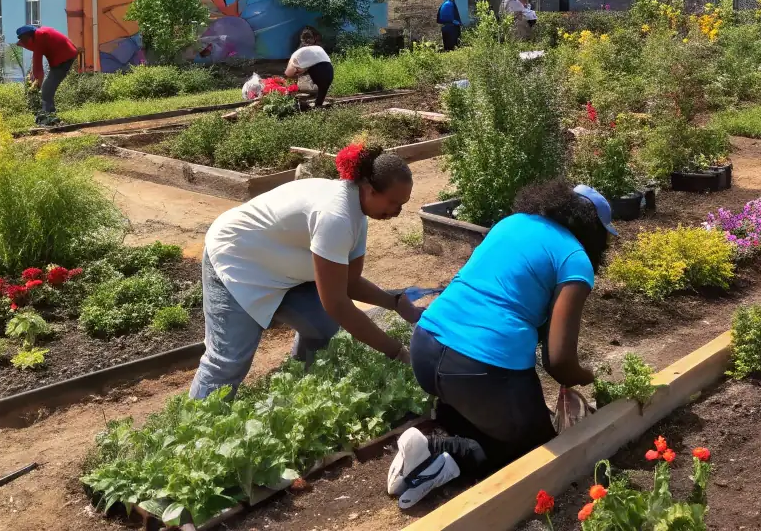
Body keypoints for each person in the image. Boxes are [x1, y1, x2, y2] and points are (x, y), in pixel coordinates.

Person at [389, 181, 615, 507]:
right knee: (539, 454)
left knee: (498, 425)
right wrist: (586, 376)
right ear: (595, 231)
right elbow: (559, 360)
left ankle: (437, 456)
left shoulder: (512, 223)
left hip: (427, 349)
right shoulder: (575, 258)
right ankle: (437, 450)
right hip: (479, 371)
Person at [190, 143, 421, 400]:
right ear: (369, 189)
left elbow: (349, 283)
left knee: (321, 328)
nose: (397, 212)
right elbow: (337, 304)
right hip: (237, 260)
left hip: (280, 267)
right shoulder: (336, 216)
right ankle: (197, 428)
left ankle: (301, 391)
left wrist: (395, 302)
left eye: (402, 205)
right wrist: (397, 352)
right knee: (228, 361)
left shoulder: (358, 212)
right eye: (393, 203)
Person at [15, 24, 79, 125]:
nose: (25, 44)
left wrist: (39, 84)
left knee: (46, 89)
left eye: (24, 41)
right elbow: (36, 60)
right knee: (47, 89)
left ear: (28, 37)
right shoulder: (40, 34)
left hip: (64, 58)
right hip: (64, 55)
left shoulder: (39, 39)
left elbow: (38, 66)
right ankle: (49, 114)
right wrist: (34, 73)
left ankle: (49, 117)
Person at [286, 29, 334, 107]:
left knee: (318, 88)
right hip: (309, 75)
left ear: (313, 39)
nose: (307, 41)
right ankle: (312, 103)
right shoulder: (306, 49)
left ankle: (314, 103)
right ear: (302, 40)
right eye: (305, 39)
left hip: (316, 75)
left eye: (309, 38)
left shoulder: (315, 48)